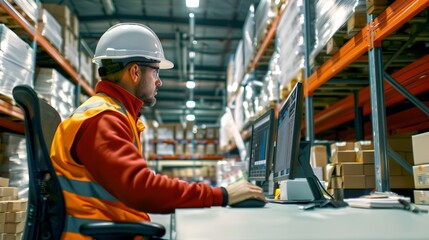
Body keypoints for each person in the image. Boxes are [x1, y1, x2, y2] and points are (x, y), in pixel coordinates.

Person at [50, 23, 265, 239]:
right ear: (135, 72)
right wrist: (222, 195)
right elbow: (141, 188)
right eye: (156, 71)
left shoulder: (113, 114)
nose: (159, 81)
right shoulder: (103, 119)